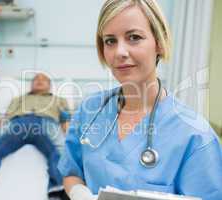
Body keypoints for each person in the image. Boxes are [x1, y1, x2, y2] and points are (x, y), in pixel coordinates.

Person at [57, 1, 222, 200]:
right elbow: (71, 172)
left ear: (159, 43)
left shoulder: (194, 135)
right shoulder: (90, 110)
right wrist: (78, 193)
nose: (120, 52)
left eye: (134, 37)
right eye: (110, 41)